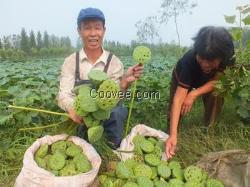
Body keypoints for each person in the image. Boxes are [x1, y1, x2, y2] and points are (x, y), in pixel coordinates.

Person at [57, 7, 143, 148]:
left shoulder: (114, 62)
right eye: (87, 28)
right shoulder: (71, 62)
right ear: (79, 31)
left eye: (97, 28)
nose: (92, 34)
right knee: (80, 142)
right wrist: (74, 108)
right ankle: (83, 145)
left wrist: (123, 84)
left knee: (117, 112)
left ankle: (112, 147)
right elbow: (63, 95)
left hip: (106, 115)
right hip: (81, 116)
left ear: (104, 30)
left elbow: (114, 99)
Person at [165, 26, 235, 159]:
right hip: (182, 76)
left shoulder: (228, 57)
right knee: (174, 109)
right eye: (201, 58)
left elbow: (217, 81)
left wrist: (193, 94)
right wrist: (173, 135)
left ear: (222, 57)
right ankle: (171, 137)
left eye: (211, 61)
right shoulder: (189, 60)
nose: (205, 64)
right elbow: (179, 98)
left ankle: (208, 132)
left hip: (211, 80)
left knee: (216, 94)